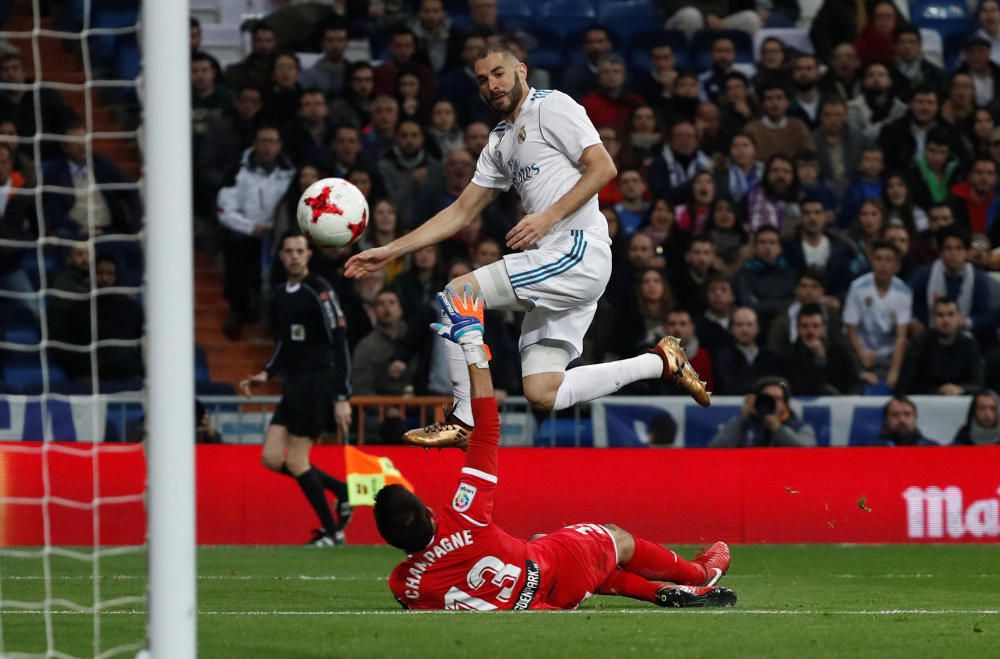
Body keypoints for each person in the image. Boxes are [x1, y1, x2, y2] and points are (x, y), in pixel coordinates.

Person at [346, 45, 712, 448]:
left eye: (499, 73)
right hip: (557, 264)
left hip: (576, 252)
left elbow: (604, 166)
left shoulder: (552, 106)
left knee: (459, 293)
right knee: (543, 392)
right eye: (483, 80)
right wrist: (391, 251)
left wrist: (547, 217)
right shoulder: (500, 140)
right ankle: (659, 361)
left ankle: (462, 417)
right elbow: (461, 211)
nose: (493, 85)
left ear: (521, 71)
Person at [378, 286, 736, 610]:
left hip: (552, 598)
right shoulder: (463, 517)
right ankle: (697, 575)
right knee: (614, 538)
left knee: (539, 539)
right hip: (558, 570)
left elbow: (431, 578)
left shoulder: (405, 585)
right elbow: (487, 431)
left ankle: (655, 591)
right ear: (429, 512)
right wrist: (473, 345)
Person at [240, 234, 353, 547]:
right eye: (288, 251)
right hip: (293, 385)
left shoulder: (321, 291)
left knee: (297, 461)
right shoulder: (279, 295)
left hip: (318, 383)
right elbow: (283, 343)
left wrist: (342, 395)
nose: (294, 256)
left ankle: (333, 533)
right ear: (280, 255)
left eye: (299, 251)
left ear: (309, 255)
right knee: (272, 458)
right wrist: (266, 373)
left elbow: (340, 341)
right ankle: (341, 491)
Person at [217, 124, 295, 339]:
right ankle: (238, 312)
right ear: (254, 144)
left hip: (279, 234)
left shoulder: (289, 172)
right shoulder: (237, 171)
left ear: (279, 146)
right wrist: (252, 228)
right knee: (236, 249)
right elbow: (225, 209)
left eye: (272, 142)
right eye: (263, 141)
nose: (267, 147)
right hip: (246, 233)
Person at [843, 241, 911, 389]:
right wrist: (861, 352)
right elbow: (851, 328)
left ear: (896, 265)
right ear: (872, 261)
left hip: (889, 353)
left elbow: (901, 336)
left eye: (888, 260)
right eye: (878, 259)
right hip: (862, 350)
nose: (883, 265)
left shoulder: (904, 292)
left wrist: (894, 371)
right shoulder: (858, 287)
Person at [897, 297, 983, 396]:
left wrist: (961, 389)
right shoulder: (919, 344)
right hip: (925, 402)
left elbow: (978, 384)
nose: (946, 320)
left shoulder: (969, 344)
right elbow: (905, 385)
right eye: (940, 315)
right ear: (933, 318)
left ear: (959, 317)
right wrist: (938, 391)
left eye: (951, 314)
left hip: (961, 402)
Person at [708, 376, 816, 448]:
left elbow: (808, 454)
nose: (772, 402)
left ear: (785, 403)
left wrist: (778, 429)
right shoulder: (744, 425)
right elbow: (715, 449)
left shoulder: (798, 427)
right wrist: (743, 418)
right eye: (767, 398)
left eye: (777, 398)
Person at [780, 303, 860, 396]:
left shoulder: (839, 351)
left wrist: (851, 397)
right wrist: (820, 360)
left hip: (838, 405)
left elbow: (854, 381)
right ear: (797, 328)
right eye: (804, 326)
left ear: (823, 328)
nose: (810, 331)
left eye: (815, 326)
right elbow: (788, 385)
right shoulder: (787, 356)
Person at [711, 307, 782, 396]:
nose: (745, 329)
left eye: (749, 324)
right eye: (739, 325)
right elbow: (727, 387)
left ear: (758, 328)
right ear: (731, 329)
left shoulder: (770, 357)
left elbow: (778, 384)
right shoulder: (722, 356)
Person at [871, 396, 937, 446]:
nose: (902, 419)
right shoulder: (870, 447)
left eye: (907, 414)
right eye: (895, 415)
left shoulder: (932, 448)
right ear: (886, 419)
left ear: (915, 418)